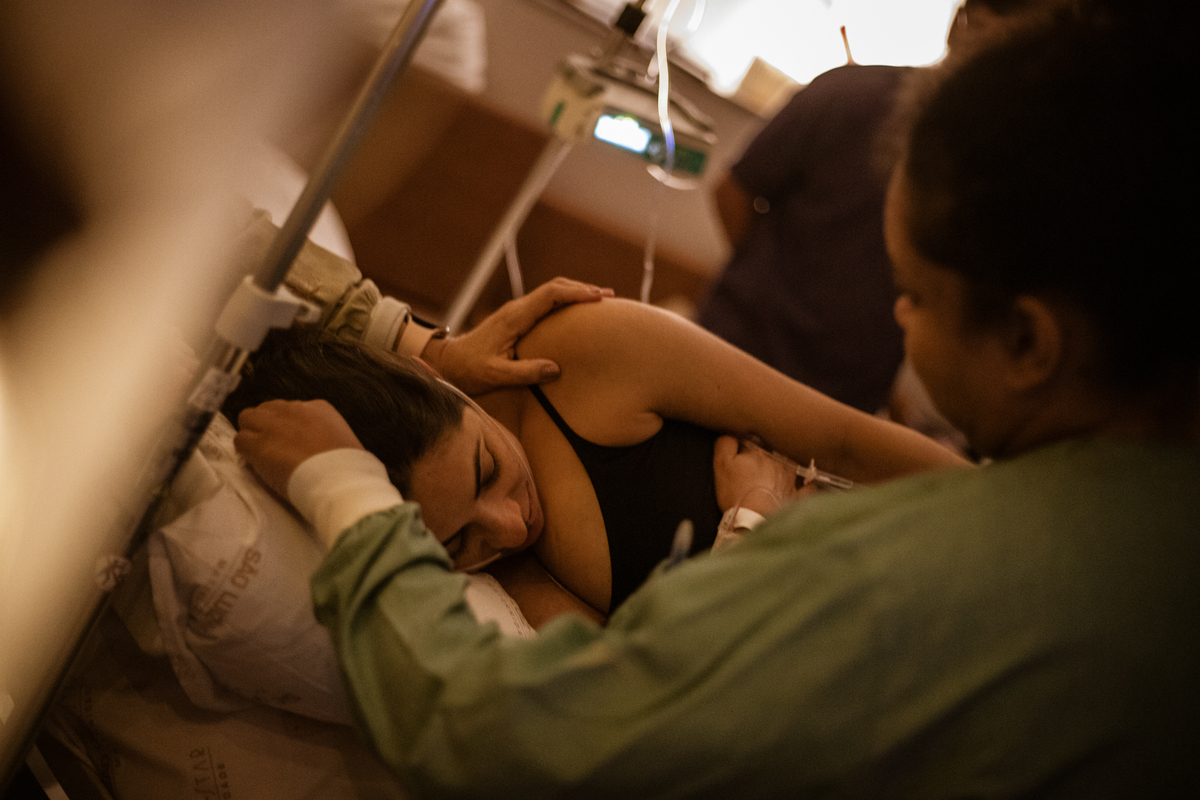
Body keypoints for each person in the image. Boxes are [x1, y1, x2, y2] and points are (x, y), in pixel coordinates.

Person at [236, 9, 1199, 797]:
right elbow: (624, 677)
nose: (508, 521)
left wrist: (345, 491)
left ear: (1028, 343)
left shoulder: (878, 566)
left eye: (911, 294)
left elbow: (501, 732)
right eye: (459, 543)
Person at [225, 291, 965, 625]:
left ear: (436, 379)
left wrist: (1018, 521)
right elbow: (658, 698)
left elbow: (843, 439)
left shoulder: (583, 354)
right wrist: (751, 521)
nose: (510, 526)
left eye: (486, 469)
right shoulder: (505, 586)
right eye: (458, 541)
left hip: (928, 563)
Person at [696, 0, 1060, 418]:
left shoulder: (994, 170)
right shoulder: (851, 94)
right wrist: (770, 289)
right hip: (735, 355)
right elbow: (733, 192)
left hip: (843, 404)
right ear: (962, 23)